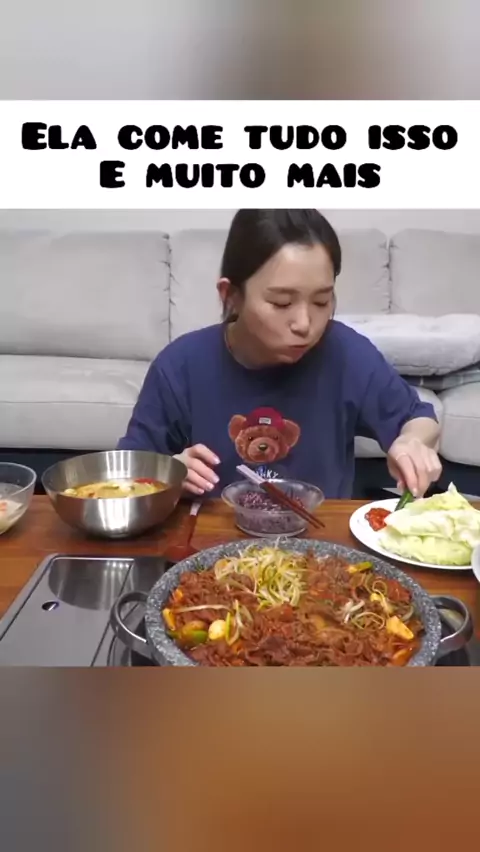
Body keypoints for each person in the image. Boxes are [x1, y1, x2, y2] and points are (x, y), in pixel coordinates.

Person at [118, 209, 442, 498]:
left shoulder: (346, 353)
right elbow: (128, 472)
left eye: (321, 301)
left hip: (320, 538)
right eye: (281, 303)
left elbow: (418, 418)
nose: (305, 324)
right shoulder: (180, 366)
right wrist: (169, 472)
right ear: (231, 295)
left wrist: (413, 442)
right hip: (211, 540)